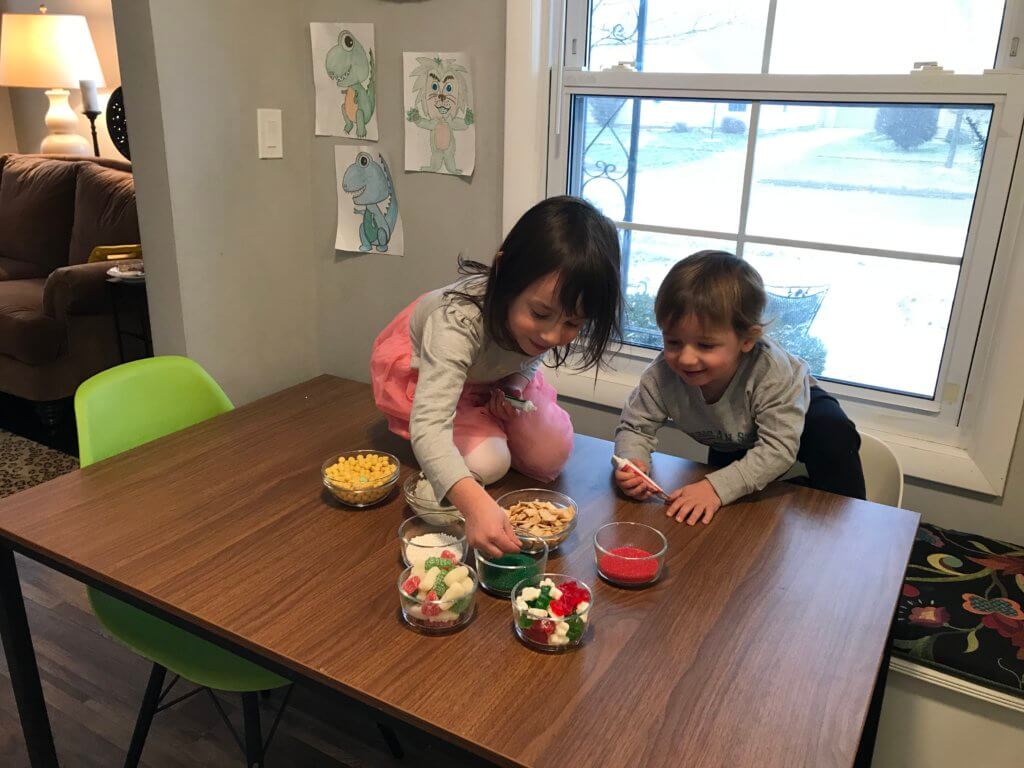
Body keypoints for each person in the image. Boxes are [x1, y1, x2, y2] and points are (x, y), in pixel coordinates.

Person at [372, 196, 622, 555]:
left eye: (572, 323)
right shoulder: (455, 321)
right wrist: (473, 503)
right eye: (540, 314)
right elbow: (429, 425)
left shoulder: (541, 324)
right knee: (491, 462)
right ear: (505, 273)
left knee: (552, 452)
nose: (551, 337)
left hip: (491, 379)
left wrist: (515, 387)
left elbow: (527, 360)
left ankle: (487, 424)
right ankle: (433, 485)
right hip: (433, 374)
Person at [614, 250, 865, 524]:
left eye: (705, 345)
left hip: (804, 419)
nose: (685, 358)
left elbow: (777, 449)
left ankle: (853, 527)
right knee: (732, 517)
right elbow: (634, 428)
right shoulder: (662, 375)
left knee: (833, 438)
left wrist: (714, 487)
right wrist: (632, 462)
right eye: (673, 342)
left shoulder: (771, 370)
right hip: (733, 433)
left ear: (747, 340)